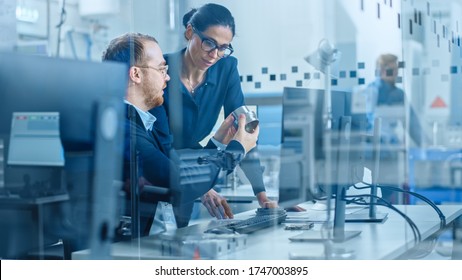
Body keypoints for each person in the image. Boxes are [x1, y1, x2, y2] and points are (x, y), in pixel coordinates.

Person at [102, 33, 259, 235]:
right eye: (161, 69)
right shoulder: (121, 128)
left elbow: (176, 168)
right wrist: (237, 149)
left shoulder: (149, 121)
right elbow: (178, 182)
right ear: (136, 75)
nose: (167, 77)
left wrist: (218, 143)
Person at [151, 3, 277, 220]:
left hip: (196, 162)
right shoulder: (163, 71)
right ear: (190, 32)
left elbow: (244, 128)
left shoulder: (226, 67)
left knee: (186, 236)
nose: (215, 54)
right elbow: (162, 144)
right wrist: (202, 186)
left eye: (223, 47)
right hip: (160, 168)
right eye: (209, 43)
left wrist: (262, 195)